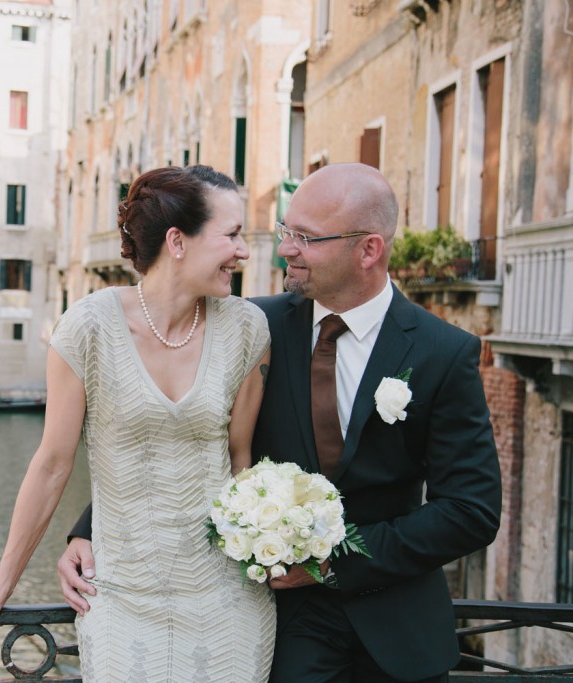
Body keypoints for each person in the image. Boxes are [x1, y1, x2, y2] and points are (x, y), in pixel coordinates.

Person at [57, 163, 503, 683]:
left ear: (368, 250)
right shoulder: (251, 325)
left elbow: (471, 510)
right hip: (284, 630)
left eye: (305, 238)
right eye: (287, 230)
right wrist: (87, 533)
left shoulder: (444, 353)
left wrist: (330, 562)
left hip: (400, 630)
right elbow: (182, 439)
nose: (285, 248)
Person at [0, 165, 275, 681]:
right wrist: (1, 584)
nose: (245, 250)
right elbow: (53, 465)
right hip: (122, 598)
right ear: (178, 241)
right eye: (232, 235)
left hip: (227, 600)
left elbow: (241, 465)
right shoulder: (86, 328)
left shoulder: (248, 328)